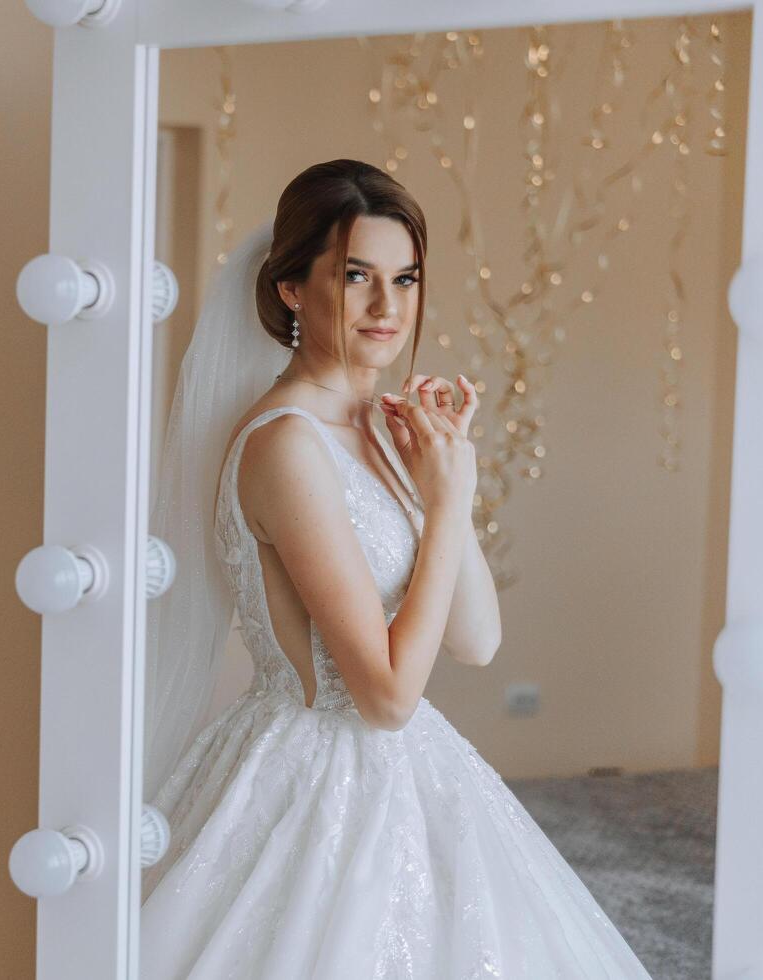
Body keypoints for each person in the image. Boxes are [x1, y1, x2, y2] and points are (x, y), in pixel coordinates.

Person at [139, 159, 650, 978]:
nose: (389, 307)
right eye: (357, 277)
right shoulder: (285, 445)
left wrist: (450, 476)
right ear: (291, 291)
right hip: (317, 776)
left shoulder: (383, 426)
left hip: (413, 771)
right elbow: (383, 696)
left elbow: (477, 639)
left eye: (406, 278)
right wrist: (445, 506)